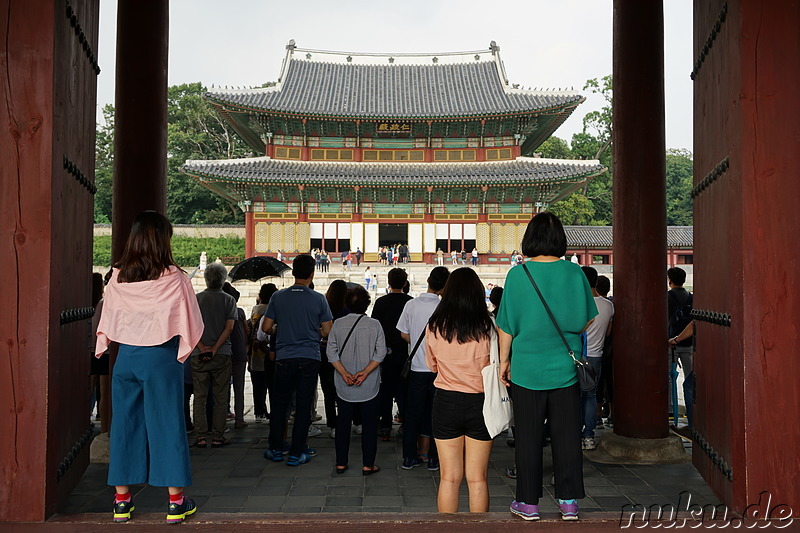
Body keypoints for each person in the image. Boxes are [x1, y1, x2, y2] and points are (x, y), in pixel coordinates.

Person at [94, 211, 203, 524]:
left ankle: (121, 501)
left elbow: (109, 319)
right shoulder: (176, 279)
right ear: (162, 240)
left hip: (125, 358)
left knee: (124, 425)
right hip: (160, 357)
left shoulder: (117, 276)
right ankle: (175, 502)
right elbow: (192, 322)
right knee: (167, 423)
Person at [496, 212, 598, 522]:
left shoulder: (518, 275)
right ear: (560, 240)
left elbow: (506, 326)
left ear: (530, 239)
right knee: (567, 435)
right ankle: (568, 501)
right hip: (564, 369)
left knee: (527, 436)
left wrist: (504, 361)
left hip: (526, 368)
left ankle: (528, 503)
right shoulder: (575, 273)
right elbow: (587, 319)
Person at [425, 268, 494, 513]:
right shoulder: (488, 326)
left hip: (446, 401)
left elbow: (431, 365)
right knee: (478, 478)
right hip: (481, 403)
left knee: (449, 478)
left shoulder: (435, 326)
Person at [262, 254, 333, 466]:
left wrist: (279, 328)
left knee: (280, 403)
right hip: (310, 357)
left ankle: (276, 447)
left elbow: (266, 328)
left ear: (293, 273)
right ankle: (297, 450)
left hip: (284, 357)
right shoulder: (318, 298)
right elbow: (328, 330)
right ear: (312, 274)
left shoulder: (278, 297)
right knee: (303, 405)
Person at [327, 286, 387, 475]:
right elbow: (381, 353)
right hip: (368, 384)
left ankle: (341, 463)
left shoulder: (337, 324)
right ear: (367, 304)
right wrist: (365, 372)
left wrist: (344, 373)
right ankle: (368, 464)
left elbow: (331, 352)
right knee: (369, 425)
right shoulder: (375, 324)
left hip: (344, 384)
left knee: (342, 423)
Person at [397, 266, 450, 471]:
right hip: (439, 370)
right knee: (438, 415)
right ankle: (435, 459)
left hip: (417, 369)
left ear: (428, 281)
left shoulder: (411, 304)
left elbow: (403, 334)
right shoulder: (445, 307)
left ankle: (409, 457)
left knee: (413, 414)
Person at [191, 263, 237, 448]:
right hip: (222, 354)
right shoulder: (228, 300)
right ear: (223, 279)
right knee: (220, 397)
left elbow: (190, 327)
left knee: (200, 397)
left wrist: (202, 347)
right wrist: (215, 348)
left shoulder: (196, 299)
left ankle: (201, 436)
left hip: (198, 354)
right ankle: (218, 436)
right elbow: (229, 328)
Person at [371, 268, 413, 440]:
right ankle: (405, 423)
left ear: (388, 282)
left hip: (385, 352)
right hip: (405, 352)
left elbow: (375, 327)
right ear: (405, 283)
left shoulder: (381, 302)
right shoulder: (410, 302)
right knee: (404, 390)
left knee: (386, 390)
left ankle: (386, 425)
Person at [579, 267, 614, 450]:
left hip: (578, 357)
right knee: (590, 396)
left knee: (574, 397)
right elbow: (608, 333)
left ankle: (573, 433)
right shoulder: (608, 305)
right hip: (596, 357)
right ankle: (588, 436)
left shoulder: (578, 303)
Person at [320, 280, 349, 439]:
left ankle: (333, 424)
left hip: (325, 352)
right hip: (344, 353)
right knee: (345, 389)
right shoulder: (347, 310)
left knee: (328, 391)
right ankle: (352, 420)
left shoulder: (325, 307)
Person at [667, 267, 694, 428]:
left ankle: (671, 410)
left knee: (670, 377)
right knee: (690, 377)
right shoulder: (691, 297)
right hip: (688, 342)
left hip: (672, 342)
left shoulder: (668, 297)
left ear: (670, 279)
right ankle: (691, 412)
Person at [222, 282, 250, 429]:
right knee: (239, 387)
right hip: (238, 352)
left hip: (223, 351)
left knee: (222, 386)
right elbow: (246, 331)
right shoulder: (240, 312)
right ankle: (239, 418)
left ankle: (224, 413)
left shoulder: (220, 312)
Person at [249, 283, 277, 424]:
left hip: (256, 353)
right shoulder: (274, 309)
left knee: (257, 386)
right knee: (272, 385)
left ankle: (259, 412)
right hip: (270, 352)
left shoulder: (256, 309)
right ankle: (274, 411)